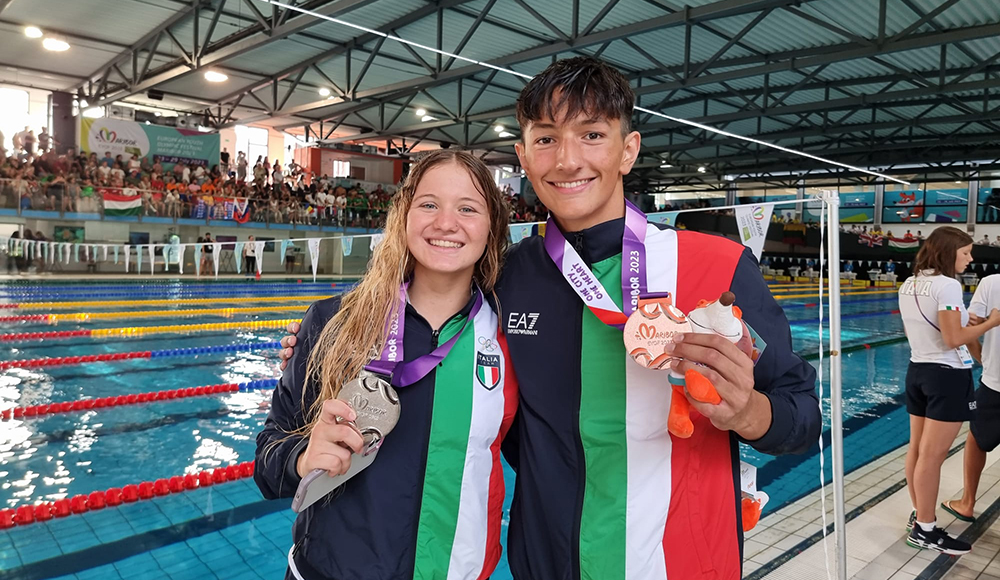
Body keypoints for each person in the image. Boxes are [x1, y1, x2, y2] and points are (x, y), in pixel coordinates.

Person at [279, 57, 819, 578]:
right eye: (545, 139)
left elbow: (802, 417)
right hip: (543, 564)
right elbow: (431, 328)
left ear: (628, 149)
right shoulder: (509, 279)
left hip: (675, 563)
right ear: (523, 155)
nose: (566, 159)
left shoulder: (717, 267)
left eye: (591, 134)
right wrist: (318, 342)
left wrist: (748, 413)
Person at [255, 149, 515, 579]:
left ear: (492, 227)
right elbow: (267, 462)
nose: (446, 223)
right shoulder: (332, 322)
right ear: (403, 216)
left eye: (467, 208)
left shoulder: (511, 336)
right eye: (429, 204)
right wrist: (303, 458)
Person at [898, 226, 1000, 555]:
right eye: (966, 253)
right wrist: (991, 322)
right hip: (946, 377)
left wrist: (966, 320)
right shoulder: (948, 286)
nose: (970, 259)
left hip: (917, 371)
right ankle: (926, 530)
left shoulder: (910, 283)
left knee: (917, 449)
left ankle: (920, 514)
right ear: (948, 251)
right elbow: (953, 339)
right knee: (933, 456)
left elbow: (935, 326)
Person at [947, 273, 1000, 526]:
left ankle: (967, 502)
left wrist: (982, 358)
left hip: (995, 382)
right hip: (994, 381)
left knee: (977, 438)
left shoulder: (992, 283)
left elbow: (967, 328)